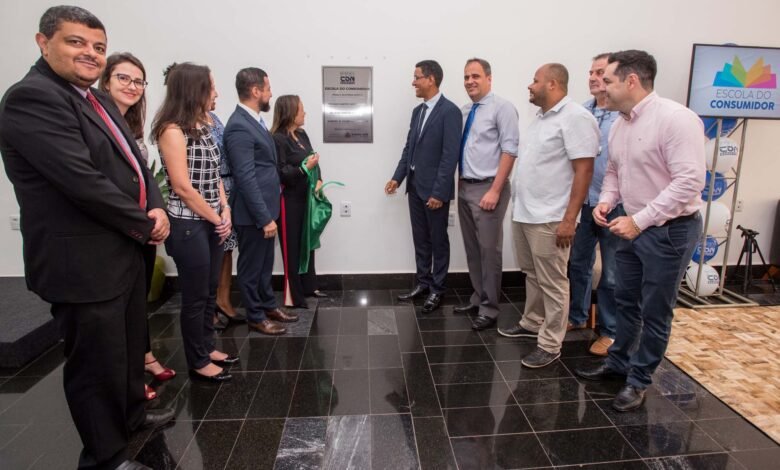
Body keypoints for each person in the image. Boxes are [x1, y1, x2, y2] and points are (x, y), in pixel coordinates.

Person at [0, 6, 173, 469]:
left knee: (128, 348)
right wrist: (145, 220)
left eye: (98, 46)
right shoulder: (32, 98)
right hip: (83, 261)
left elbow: (136, 162)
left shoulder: (89, 98)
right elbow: (80, 181)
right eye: (76, 42)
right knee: (97, 368)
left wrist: (154, 203)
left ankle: (133, 418)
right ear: (43, 42)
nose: (90, 54)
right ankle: (106, 457)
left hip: (122, 251)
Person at [575, 50, 705, 412]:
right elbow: (615, 170)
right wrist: (606, 200)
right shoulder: (620, 123)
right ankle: (618, 363)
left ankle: (639, 380)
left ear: (631, 81)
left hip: (669, 231)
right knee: (623, 298)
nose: (602, 85)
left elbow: (689, 182)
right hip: (631, 225)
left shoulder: (676, 120)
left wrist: (640, 220)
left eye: (609, 80)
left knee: (655, 310)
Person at [498, 63, 597, 369]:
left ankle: (550, 343)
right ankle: (531, 322)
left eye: (535, 80)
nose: (530, 85)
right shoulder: (541, 118)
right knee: (531, 273)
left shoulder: (576, 118)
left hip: (552, 217)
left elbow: (584, 170)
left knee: (553, 281)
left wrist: (570, 218)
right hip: (526, 213)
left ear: (553, 84)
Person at [152, 62, 238, 384]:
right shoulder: (171, 129)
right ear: (192, 90)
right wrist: (217, 217)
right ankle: (198, 360)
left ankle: (208, 347)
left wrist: (225, 209)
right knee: (195, 296)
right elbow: (183, 187)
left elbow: (214, 174)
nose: (215, 92)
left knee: (209, 290)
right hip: (189, 225)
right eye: (210, 86)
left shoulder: (203, 125)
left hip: (213, 220)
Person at [98, 52, 176, 401]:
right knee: (116, 312)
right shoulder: (96, 120)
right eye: (123, 78)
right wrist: (143, 221)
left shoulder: (131, 125)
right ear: (106, 81)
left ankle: (143, 356)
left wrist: (157, 211)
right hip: (118, 230)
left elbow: (146, 177)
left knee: (137, 302)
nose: (132, 86)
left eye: (138, 81)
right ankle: (128, 381)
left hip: (143, 229)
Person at [224, 67, 298, 335]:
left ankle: (268, 304)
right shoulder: (239, 127)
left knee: (265, 264)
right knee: (251, 267)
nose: (270, 93)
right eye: (267, 88)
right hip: (253, 214)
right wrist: (264, 217)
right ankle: (255, 315)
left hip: (267, 208)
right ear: (255, 91)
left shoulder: (254, 121)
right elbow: (245, 177)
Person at [386, 60, 462, 314]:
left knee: (438, 241)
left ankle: (438, 290)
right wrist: (397, 177)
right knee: (421, 240)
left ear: (431, 79)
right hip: (415, 187)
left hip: (434, 192)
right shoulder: (417, 112)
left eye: (417, 77)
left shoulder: (450, 111)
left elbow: (450, 156)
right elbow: (410, 148)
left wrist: (440, 193)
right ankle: (423, 283)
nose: (413, 82)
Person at [454, 58, 519, 330]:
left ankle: (490, 309)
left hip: (489, 187)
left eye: (476, 76)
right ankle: (478, 296)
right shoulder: (464, 110)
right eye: (467, 77)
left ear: (489, 78)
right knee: (472, 248)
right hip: (465, 186)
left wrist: (494, 189)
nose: (470, 81)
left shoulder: (503, 108)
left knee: (489, 250)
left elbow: (510, 150)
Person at [566, 53, 621, 356]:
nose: (592, 77)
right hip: (585, 203)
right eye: (590, 72)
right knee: (578, 263)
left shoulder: (624, 114)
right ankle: (577, 317)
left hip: (614, 206)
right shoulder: (582, 111)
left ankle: (610, 332)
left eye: (600, 72)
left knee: (612, 274)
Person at [272, 95, 327, 308]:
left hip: (307, 198)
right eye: (301, 109)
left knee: (307, 243)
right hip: (289, 202)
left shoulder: (302, 134)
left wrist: (319, 179)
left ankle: (309, 286)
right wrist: (305, 169)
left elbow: (313, 158)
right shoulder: (277, 139)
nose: (304, 113)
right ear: (290, 112)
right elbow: (282, 172)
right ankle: (293, 295)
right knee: (291, 247)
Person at [205, 93, 244, 328]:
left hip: (227, 190)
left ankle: (224, 300)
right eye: (211, 88)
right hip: (208, 196)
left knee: (226, 249)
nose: (216, 94)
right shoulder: (186, 123)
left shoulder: (214, 119)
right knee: (210, 254)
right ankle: (209, 310)